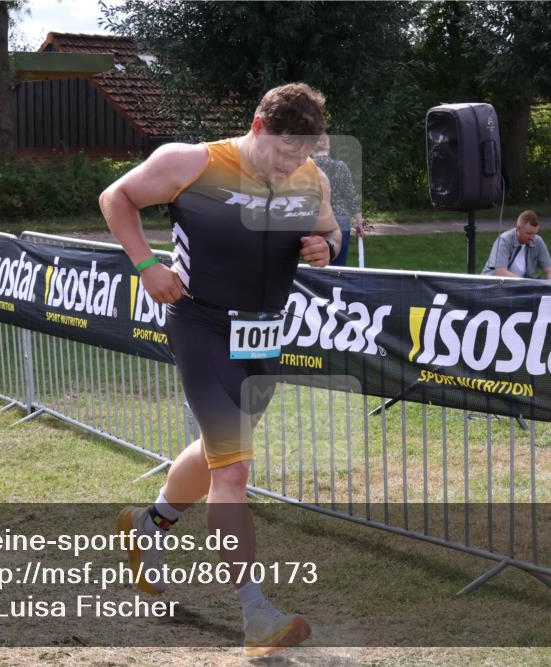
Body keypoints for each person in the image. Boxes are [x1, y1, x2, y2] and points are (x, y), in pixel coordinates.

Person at [98, 83, 341, 657]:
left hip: (263, 335)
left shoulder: (313, 178)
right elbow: (116, 198)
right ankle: (257, 616)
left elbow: (332, 231)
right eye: (284, 152)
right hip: (201, 325)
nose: (291, 165)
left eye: (302, 154)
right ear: (258, 126)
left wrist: (328, 246)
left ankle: (148, 522)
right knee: (233, 470)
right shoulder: (192, 161)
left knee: (219, 452)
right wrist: (146, 264)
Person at [311, 133, 364, 265]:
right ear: (328, 146)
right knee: (339, 269)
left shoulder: (307, 168)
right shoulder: (341, 166)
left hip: (315, 221)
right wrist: (359, 223)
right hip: (341, 221)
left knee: (315, 268)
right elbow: (351, 196)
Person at [481, 210, 551, 280]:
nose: (532, 237)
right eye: (529, 233)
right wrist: (525, 284)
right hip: (495, 286)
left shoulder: (538, 241)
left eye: (535, 233)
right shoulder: (504, 240)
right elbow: (501, 272)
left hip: (522, 287)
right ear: (518, 228)